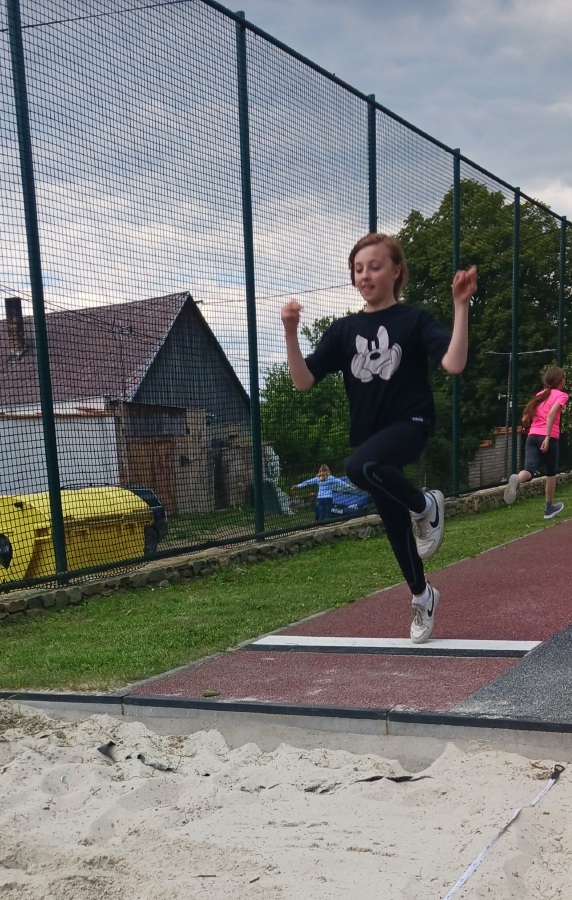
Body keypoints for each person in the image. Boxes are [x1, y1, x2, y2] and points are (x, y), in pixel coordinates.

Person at [281, 232, 477, 644]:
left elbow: (454, 363)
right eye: (358, 269)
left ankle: (426, 505)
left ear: (396, 271)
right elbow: (303, 381)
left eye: (374, 266)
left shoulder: (414, 320)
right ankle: (423, 596)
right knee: (393, 523)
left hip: (411, 424)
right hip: (371, 437)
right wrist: (291, 331)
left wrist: (461, 306)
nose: (365, 275)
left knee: (359, 467)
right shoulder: (344, 329)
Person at [504, 366, 568, 519]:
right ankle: (549, 509)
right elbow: (551, 414)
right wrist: (547, 437)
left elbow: (526, 417)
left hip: (532, 436)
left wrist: (528, 426)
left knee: (529, 470)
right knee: (551, 473)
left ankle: (517, 479)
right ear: (560, 380)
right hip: (549, 438)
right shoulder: (562, 395)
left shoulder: (540, 395)